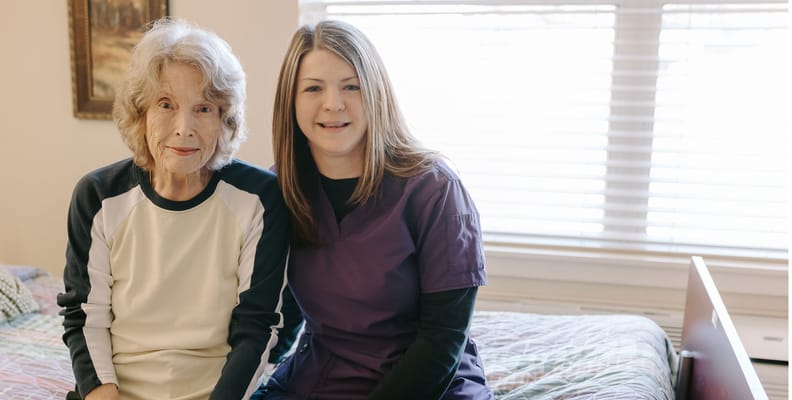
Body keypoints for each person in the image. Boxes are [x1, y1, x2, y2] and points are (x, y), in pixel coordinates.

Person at [57, 17, 299, 400]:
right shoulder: (98, 196)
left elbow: (258, 326)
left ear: (225, 120)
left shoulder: (260, 198)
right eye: (166, 104)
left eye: (203, 108)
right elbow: (84, 315)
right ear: (141, 114)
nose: (184, 127)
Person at [254, 19, 495, 399]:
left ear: (376, 93)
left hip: (427, 384)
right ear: (291, 101)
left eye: (352, 86)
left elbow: (443, 338)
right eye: (313, 88)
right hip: (323, 378)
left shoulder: (434, 188)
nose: (333, 103)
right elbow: (279, 316)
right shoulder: (279, 189)